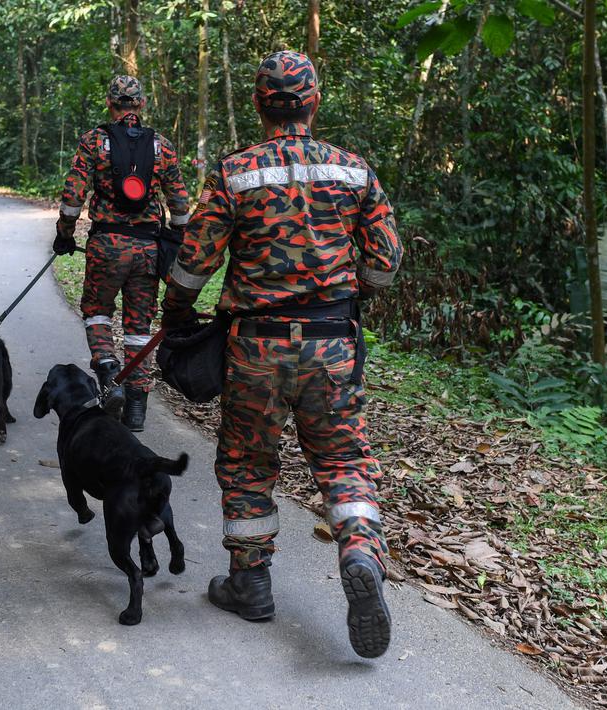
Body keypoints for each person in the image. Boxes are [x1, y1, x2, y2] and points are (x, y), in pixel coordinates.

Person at [160, 51, 402, 658]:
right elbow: (385, 264)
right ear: (315, 101)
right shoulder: (353, 170)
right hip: (332, 344)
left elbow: (194, 263)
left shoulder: (235, 172)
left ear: (259, 104)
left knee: (246, 462)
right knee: (344, 460)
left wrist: (178, 316)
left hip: (256, 346)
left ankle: (250, 584)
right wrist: (356, 289)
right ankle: (360, 553)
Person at [55, 75, 189, 432]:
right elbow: (180, 205)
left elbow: (72, 199)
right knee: (138, 327)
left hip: (106, 248)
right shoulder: (163, 147)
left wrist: (64, 235)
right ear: (142, 105)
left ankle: (108, 369)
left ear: (109, 104)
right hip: (148, 249)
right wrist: (177, 241)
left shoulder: (93, 142)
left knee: (97, 312)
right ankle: (136, 409)